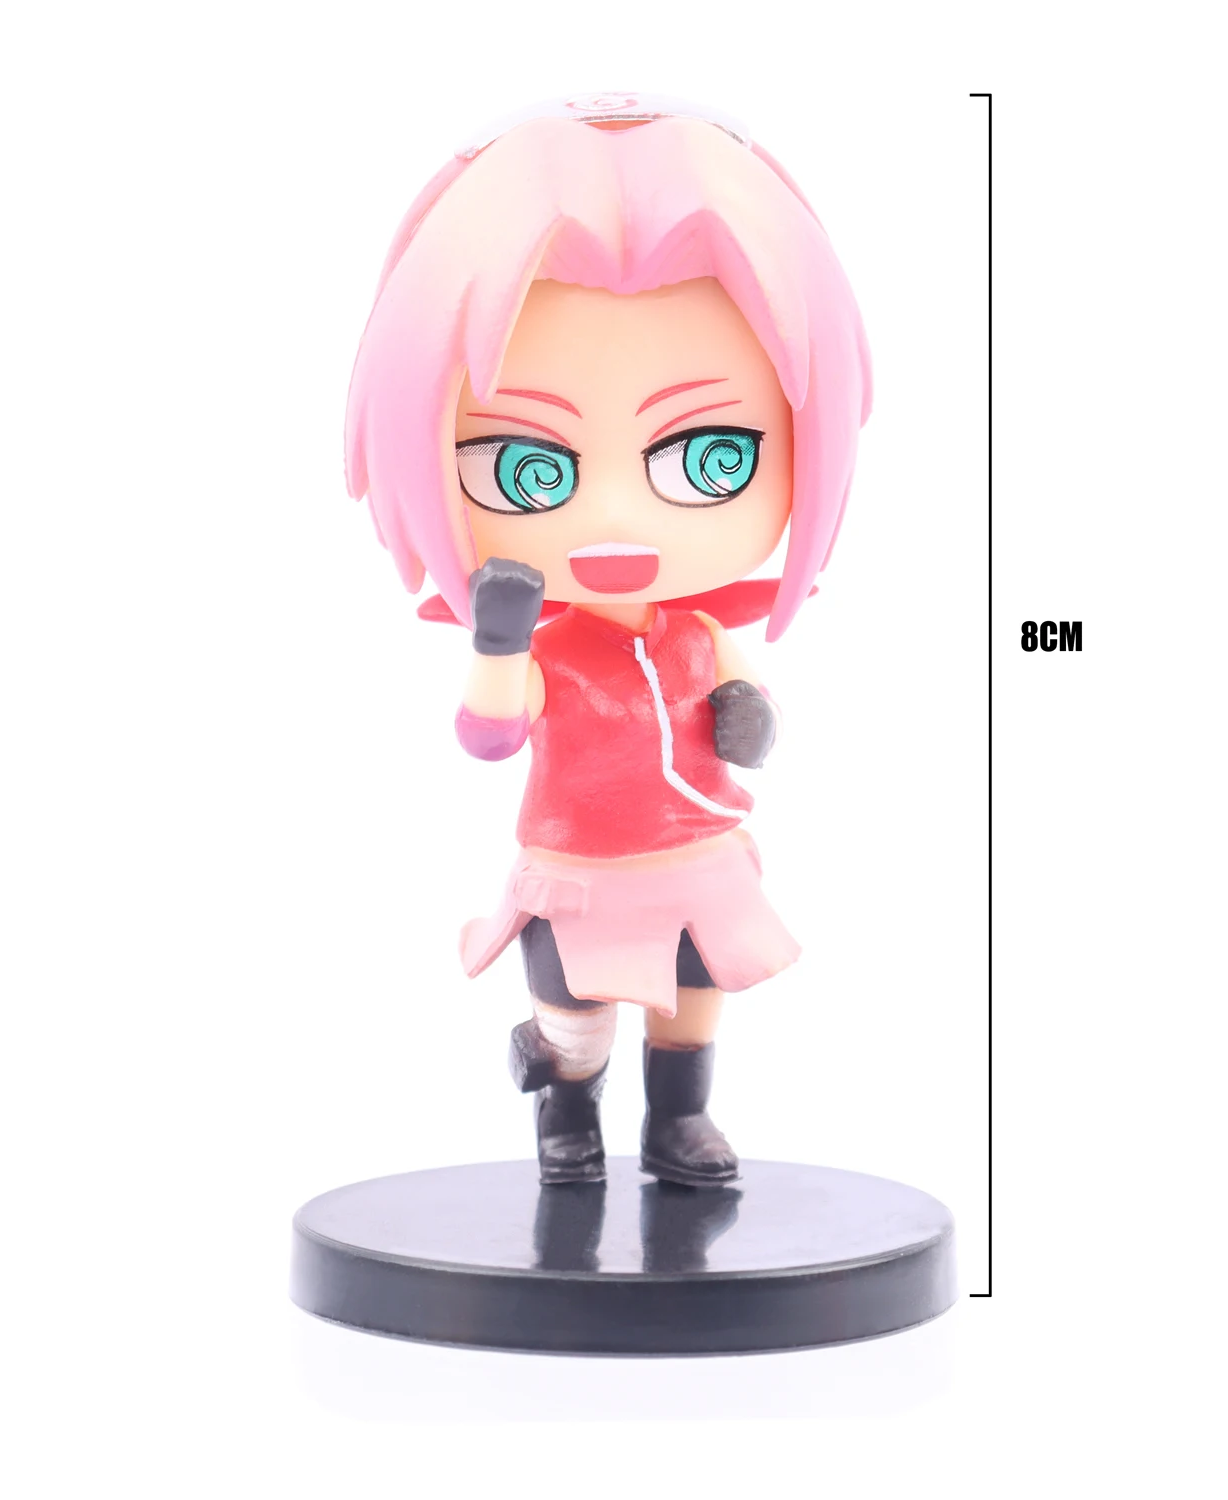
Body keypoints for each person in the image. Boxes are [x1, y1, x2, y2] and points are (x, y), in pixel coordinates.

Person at [344, 94, 870, 1187]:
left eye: (709, 456)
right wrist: (498, 641)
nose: (618, 521)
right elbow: (490, 735)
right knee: (575, 1015)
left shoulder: (700, 630)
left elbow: (753, 719)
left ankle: (679, 1121)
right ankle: (562, 1100)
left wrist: (749, 717)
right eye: (527, 469)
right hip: (581, 865)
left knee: (694, 996)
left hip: (697, 855)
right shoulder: (550, 649)